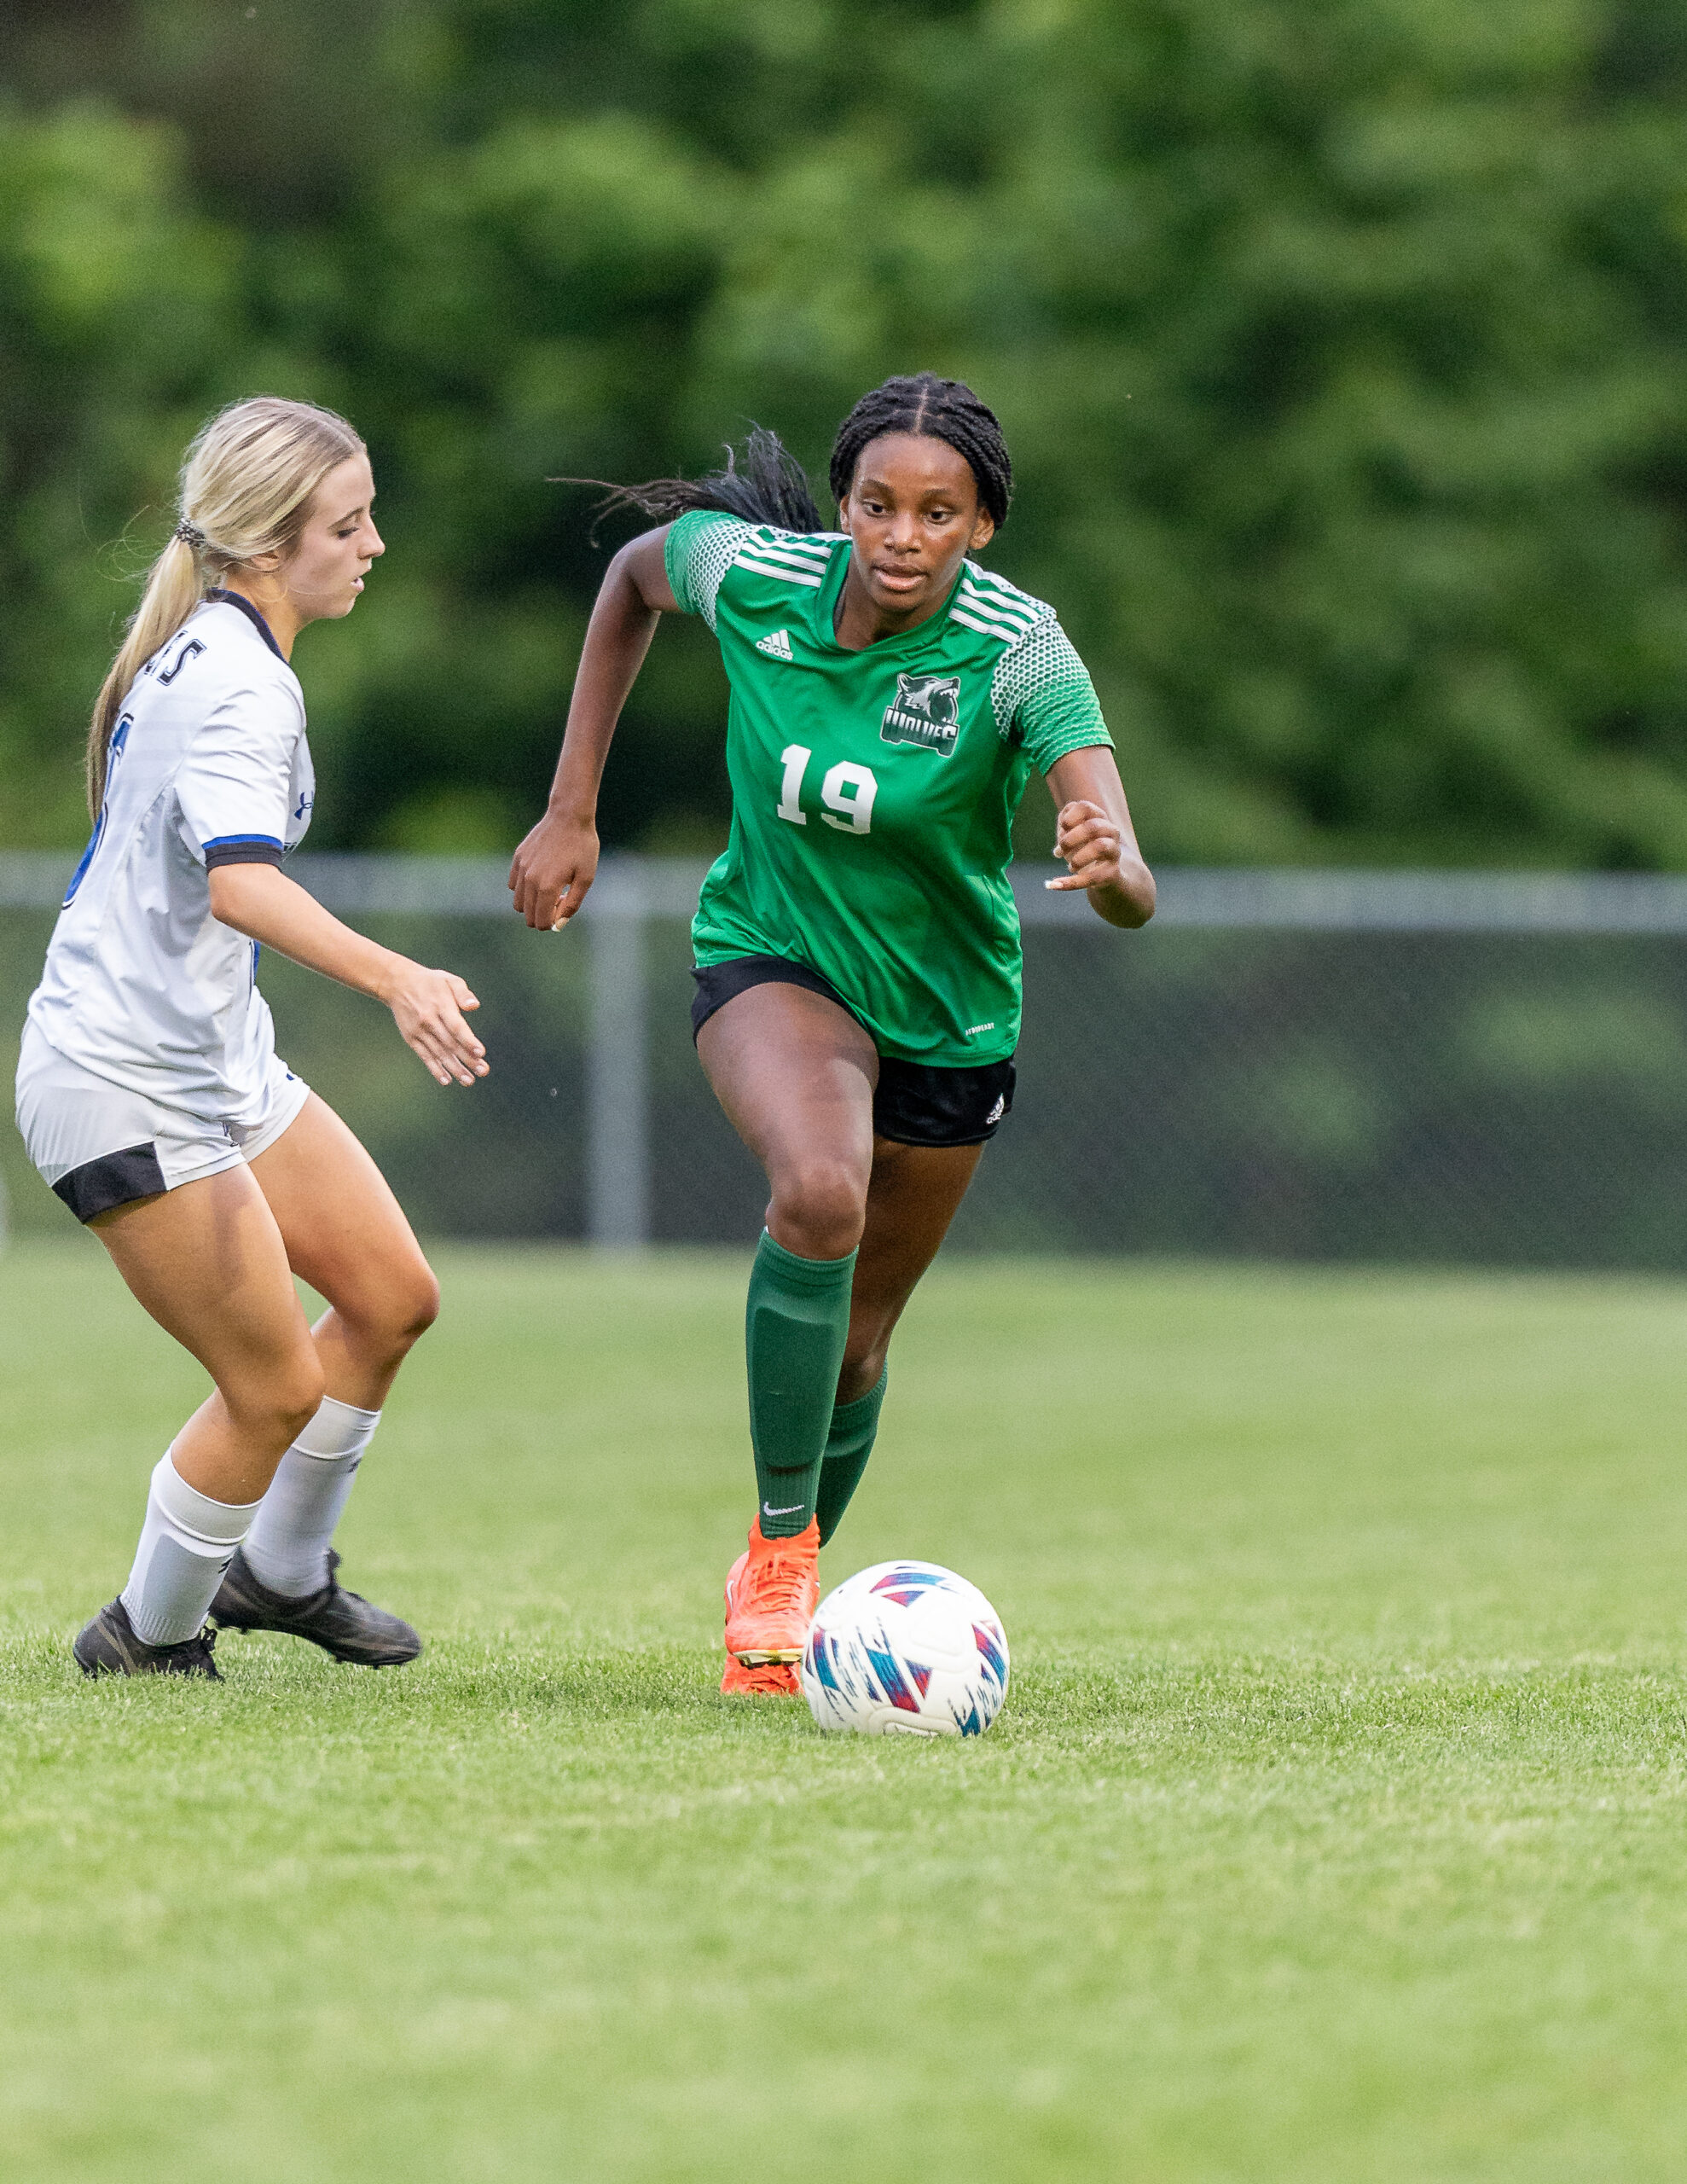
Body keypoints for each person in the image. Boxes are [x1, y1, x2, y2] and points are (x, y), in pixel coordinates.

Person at [510, 372, 1155, 1696]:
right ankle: (781, 1561)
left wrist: (1114, 868)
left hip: (949, 1017)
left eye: (938, 513)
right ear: (845, 502)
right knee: (817, 1192)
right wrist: (572, 809)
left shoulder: (1018, 648)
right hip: (774, 956)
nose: (902, 536)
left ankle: (784, 1576)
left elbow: (1129, 874)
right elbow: (631, 579)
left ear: (980, 525)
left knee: (858, 1342)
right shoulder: (756, 576)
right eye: (877, 504)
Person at [15, 396, 490, 1680]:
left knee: (390, 1299)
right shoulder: (237, 681)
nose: (374, 545)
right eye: (349, 524)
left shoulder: (214, 648)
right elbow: (240, 884)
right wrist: (396, 977)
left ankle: (278, 1577)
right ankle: (148, 1635)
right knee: (275, 1388)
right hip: (121, 1084)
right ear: (269, 544)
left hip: (210, 1065)